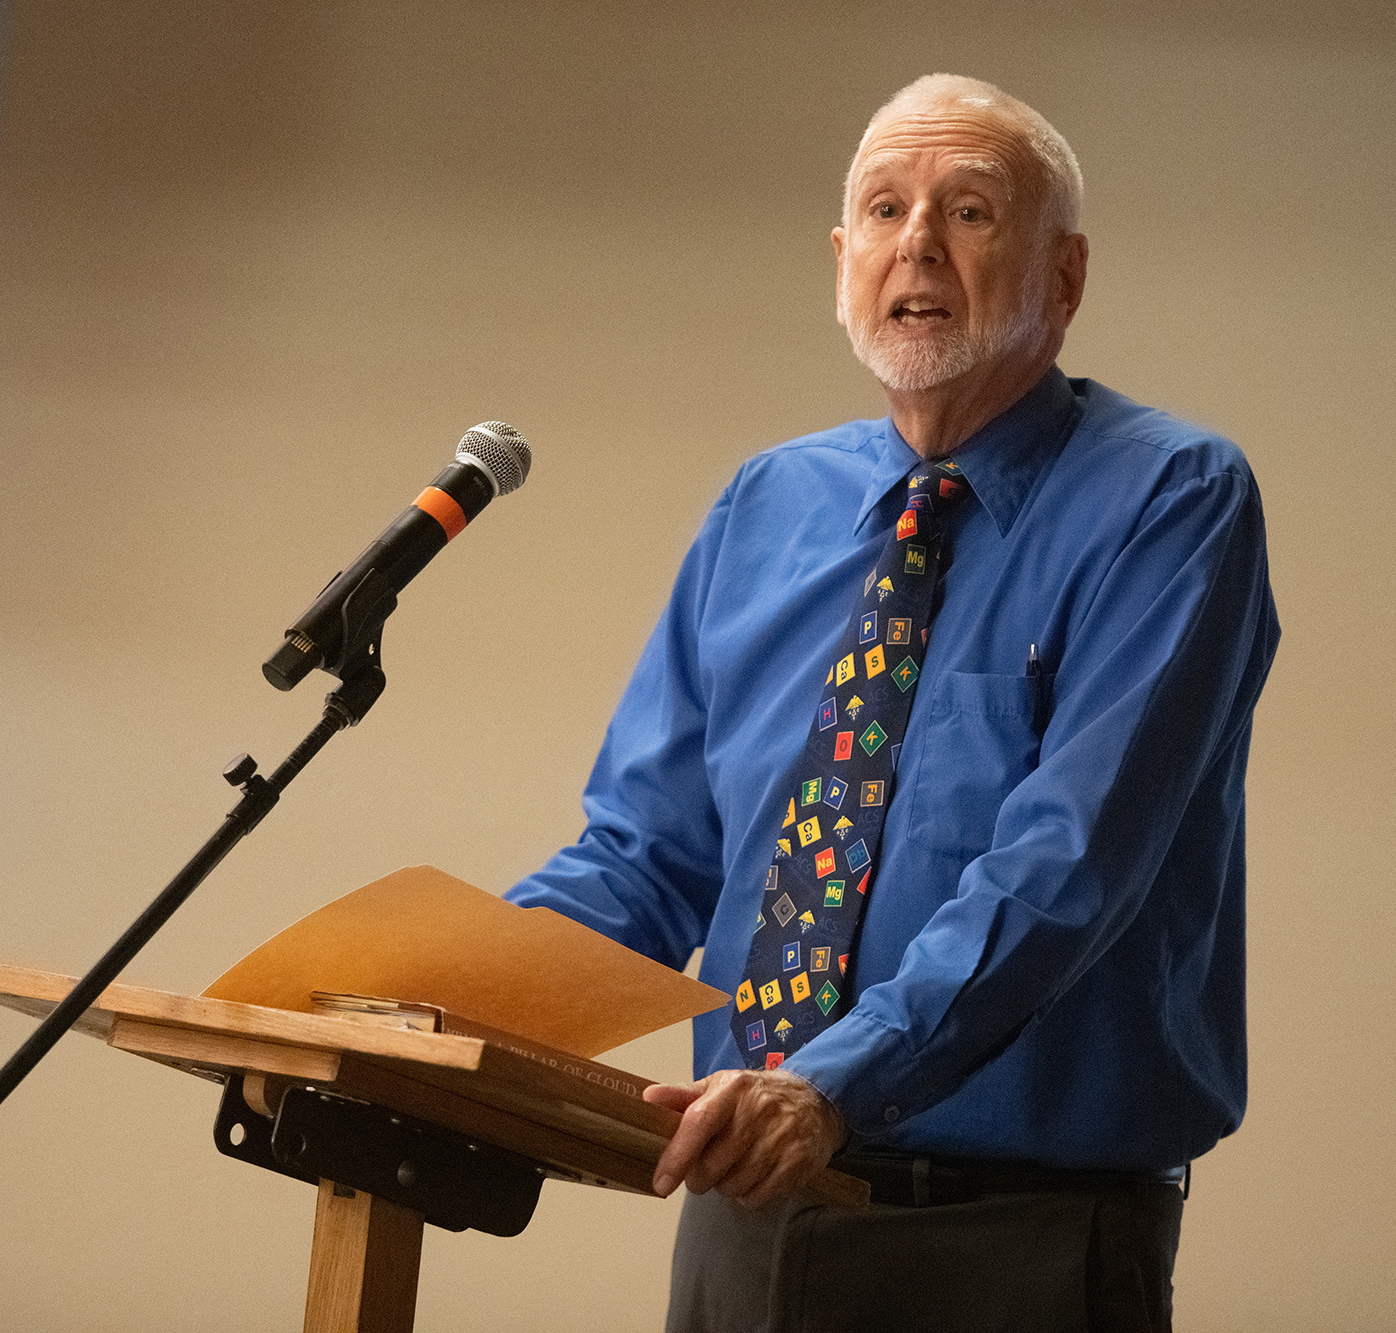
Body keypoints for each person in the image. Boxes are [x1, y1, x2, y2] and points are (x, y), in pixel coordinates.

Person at [505, 73, 1278, 1332]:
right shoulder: (763, 507)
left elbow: (1066, 862)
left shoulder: (1168, 500)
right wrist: (439, 996)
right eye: (882, 209)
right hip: (743, 1208)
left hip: (1017, 1234)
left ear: (1064, 277)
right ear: (841, 258)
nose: (914, 241)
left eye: (968, 212)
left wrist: (830, 1083)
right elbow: (645, 856)